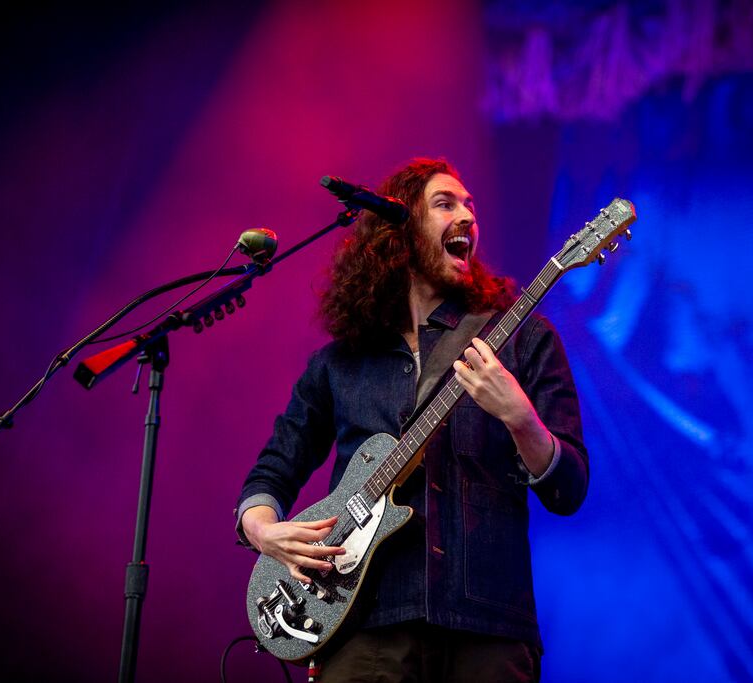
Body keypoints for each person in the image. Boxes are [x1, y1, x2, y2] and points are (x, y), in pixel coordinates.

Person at [236, 157, 588, 682]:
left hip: (487, 625)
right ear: (399, 233)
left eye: (471, 206)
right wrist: (263, 532)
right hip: (365, 627)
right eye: (445, 204)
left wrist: (520, 418)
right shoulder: (341, 362)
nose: (467, 217)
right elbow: (272, 471)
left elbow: (570, 488)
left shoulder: (523, 341)